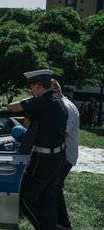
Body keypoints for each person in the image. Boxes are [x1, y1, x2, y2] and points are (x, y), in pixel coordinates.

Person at [7, 69, 69, 230]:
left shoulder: (43, 101)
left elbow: (11, 107)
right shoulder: (57, 100)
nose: (31, 91)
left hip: (44, 159)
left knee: (24, 197)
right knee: (48, 198)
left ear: (38, 86)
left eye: (31, 87)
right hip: (58, 157)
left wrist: (30, 102)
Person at [50, 79, 78, 230]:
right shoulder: (62, 105)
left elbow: (62, 134)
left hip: (65, 155)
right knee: (54, 187)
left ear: (54, 91)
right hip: (63, 154)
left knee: (54, 188)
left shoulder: (65, 107)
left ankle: (63, 224)